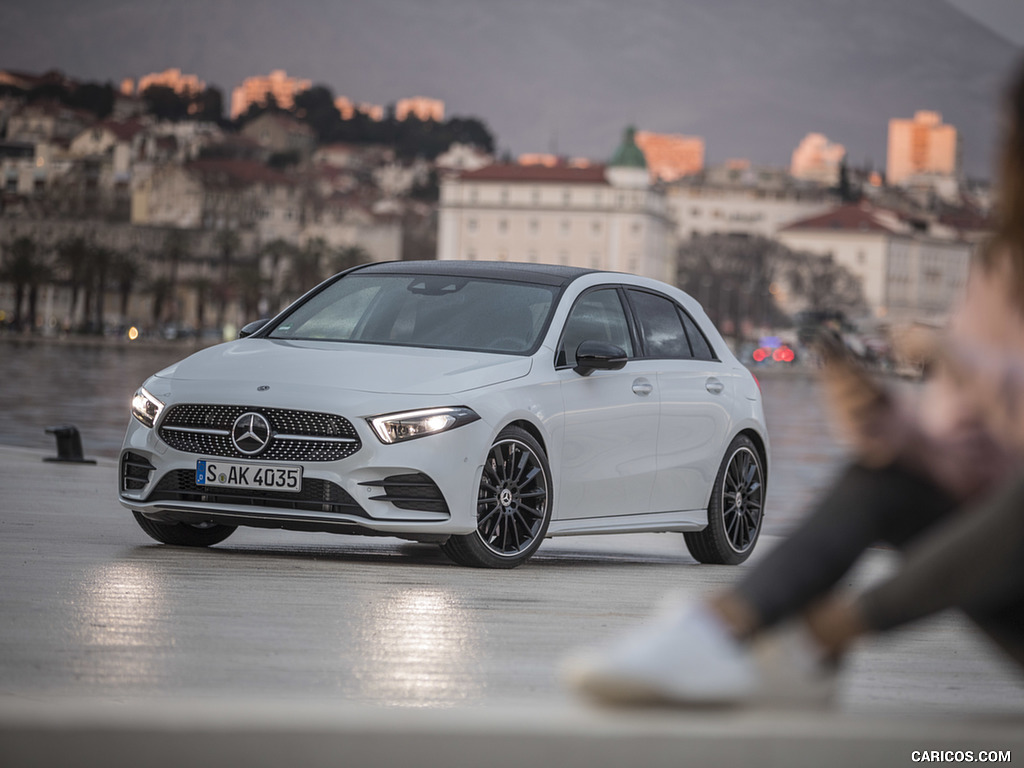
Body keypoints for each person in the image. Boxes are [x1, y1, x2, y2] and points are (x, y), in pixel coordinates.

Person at [563, 60, 1024, 706]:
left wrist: (957, 357)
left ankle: (811, 639)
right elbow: (968, 455)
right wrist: (880, 419)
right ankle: (730, 634)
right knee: (886, 475)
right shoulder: (1001, 266)